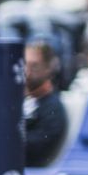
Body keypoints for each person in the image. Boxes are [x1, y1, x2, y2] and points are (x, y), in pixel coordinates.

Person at [24, 39, 70, 167]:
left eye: (34, 66)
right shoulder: (18, 100)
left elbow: (40, 149)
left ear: (48, 68)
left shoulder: (53, 107)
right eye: (25, 64)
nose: (27, 71)